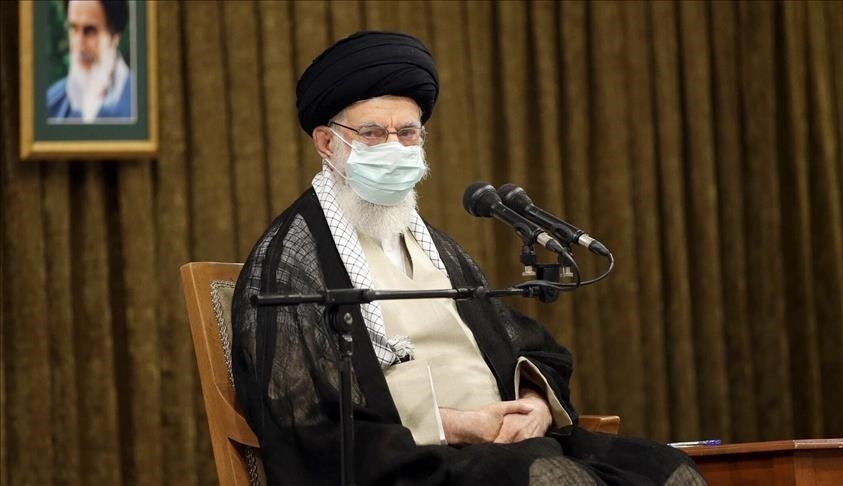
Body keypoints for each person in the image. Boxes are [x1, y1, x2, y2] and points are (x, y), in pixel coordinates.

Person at [231, 31, 706, 486]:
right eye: (373, 133)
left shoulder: (436, 245)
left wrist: (535, 403)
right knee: (552, 478)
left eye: (408, 133)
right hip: (411, 461)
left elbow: (524, 343)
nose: (394, 148)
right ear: (326, 142)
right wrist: (456, 425)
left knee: (669, 470)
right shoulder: (292, 257)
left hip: (511, 444)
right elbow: (302, 413)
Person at [46, 0, 133, 122]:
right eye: (73, 28)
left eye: (89, 31)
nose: (78, 44)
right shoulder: (51, 104)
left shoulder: (141, 104)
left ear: (114, 36)